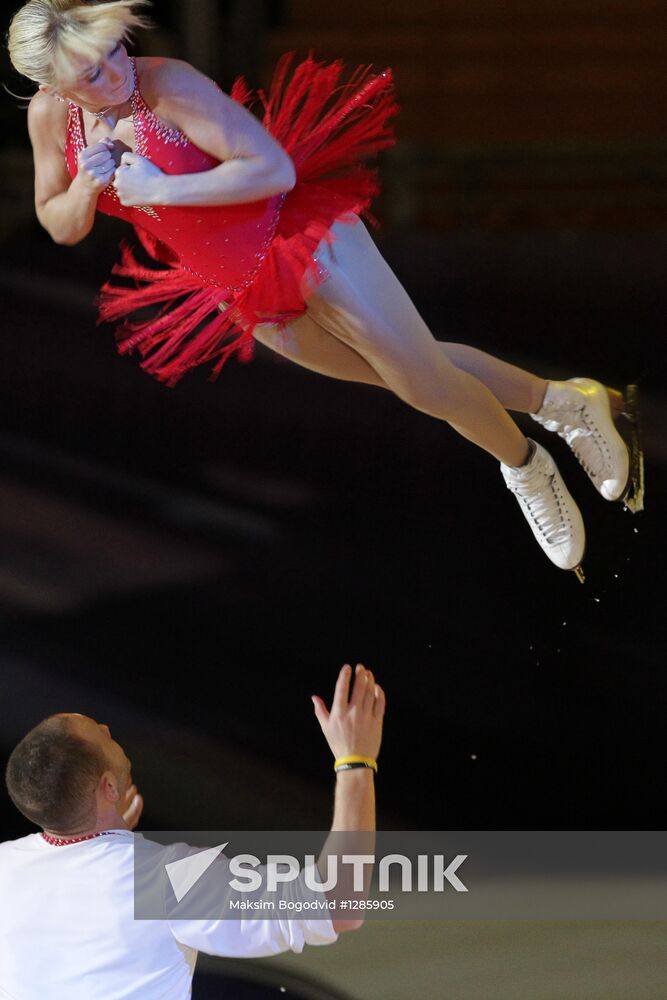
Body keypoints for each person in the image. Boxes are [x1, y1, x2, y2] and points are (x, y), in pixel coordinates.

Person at [7, 0, 642, 579]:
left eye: (115, 49)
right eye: (89, 72)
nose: (115, 71)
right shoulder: (49, 118)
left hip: (298, 238)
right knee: (411, 368)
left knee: (420, 382)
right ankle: (565, 403)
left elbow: (270, 169)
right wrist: (89, 187)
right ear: (51, 84)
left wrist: (161, 190)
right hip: (240, 288)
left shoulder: (166, 85)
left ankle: (526, 465)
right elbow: (56, 220)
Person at [0, 663, 384, 998]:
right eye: (102, 735)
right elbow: (338, 903)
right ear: (109, 789)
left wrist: (112, 849)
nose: (106, 725)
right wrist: (355, 761)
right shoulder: (167, 880)